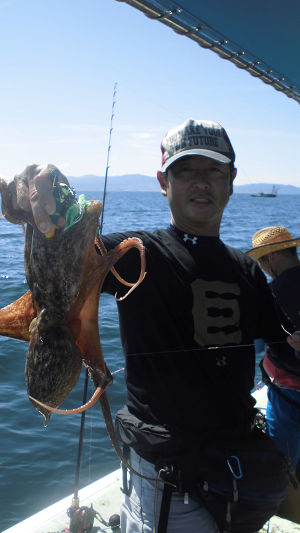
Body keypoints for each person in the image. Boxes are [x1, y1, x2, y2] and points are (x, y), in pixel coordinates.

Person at [7, 119, 300, 533]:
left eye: (213, 170)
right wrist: (33, 190)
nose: (200, 182)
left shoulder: (246, 271)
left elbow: (284, 341)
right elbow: (70, 242)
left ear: (231, 181)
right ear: (164, 182)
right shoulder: (137, 255)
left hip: (238, 473)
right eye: (185, 171)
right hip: (169, 489)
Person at [247, 226, 300, 521]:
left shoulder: (270, 294)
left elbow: (252, 344)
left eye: (262, 262)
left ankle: (277, 502)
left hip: (287, 396)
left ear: (270, 259)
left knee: (283, 458)